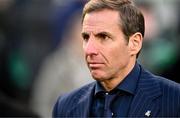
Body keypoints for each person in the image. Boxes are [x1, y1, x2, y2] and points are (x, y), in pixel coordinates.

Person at [53, 0, 180, 117]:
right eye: (86, 37)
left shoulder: (174, 99)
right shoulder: (65, 106)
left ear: (134, 43)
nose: (89, 50)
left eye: (103, 37)